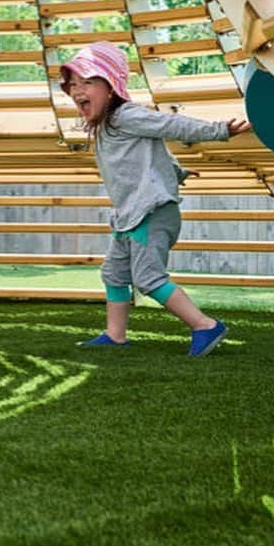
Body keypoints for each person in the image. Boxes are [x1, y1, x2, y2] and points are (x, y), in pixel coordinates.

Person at [60, 41, 251, 357]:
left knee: (148, 277)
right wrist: (176, 171)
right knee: (113, 274)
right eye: (74, 85)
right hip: (129, 216)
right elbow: (145, 159)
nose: (79, 90)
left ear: (111, 87)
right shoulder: (106, 125)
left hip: (151, 212)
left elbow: (170, 125)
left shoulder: (126, 115)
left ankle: (205, 325)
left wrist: (220, 130)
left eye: (88, 82)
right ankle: (115, 334)